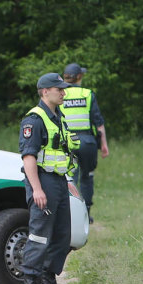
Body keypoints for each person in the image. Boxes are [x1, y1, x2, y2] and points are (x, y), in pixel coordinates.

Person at [18, 73, 81, 284]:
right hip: (43, 182)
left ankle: (48, 283)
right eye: (59, 89)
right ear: (45, 91)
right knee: (39, 235)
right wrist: (37, 189)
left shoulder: (58, 117)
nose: (63, 92)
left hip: (59, 181)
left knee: (61, 235)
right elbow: (28, 157)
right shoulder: (34, 120)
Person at [61, 63, 109, 222]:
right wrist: (104, 145)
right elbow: (98, 123)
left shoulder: (60, 94)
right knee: (87, 177)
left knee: (70, 177)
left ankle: (71, 214)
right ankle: (86, 214)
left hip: (69, 144)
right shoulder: (87, 94)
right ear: (79, 77)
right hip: (87, 143)